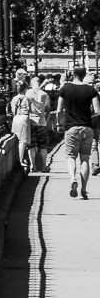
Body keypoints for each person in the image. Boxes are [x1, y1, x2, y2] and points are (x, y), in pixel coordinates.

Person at [57, 66, 100, 199]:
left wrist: (59, 124)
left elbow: (59, 109)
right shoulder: (91, 90)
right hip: (87, 128)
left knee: (70, 157)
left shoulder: (65, 89)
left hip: (71, 128)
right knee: (85, 158)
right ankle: (84, 189)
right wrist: (87, 116)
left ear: (72, 74)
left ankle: (72, 179)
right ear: (84, 75)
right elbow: (97, 111)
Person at [24, 76, 51, 173]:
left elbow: (25, 108)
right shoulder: (45, 94)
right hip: (42, 122)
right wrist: (46, 121)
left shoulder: (28, 93)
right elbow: (48, 110)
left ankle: (33, 166)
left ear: (32, 83)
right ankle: (44, 166)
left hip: (31, 121)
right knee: (42, 146)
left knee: (31, 145)